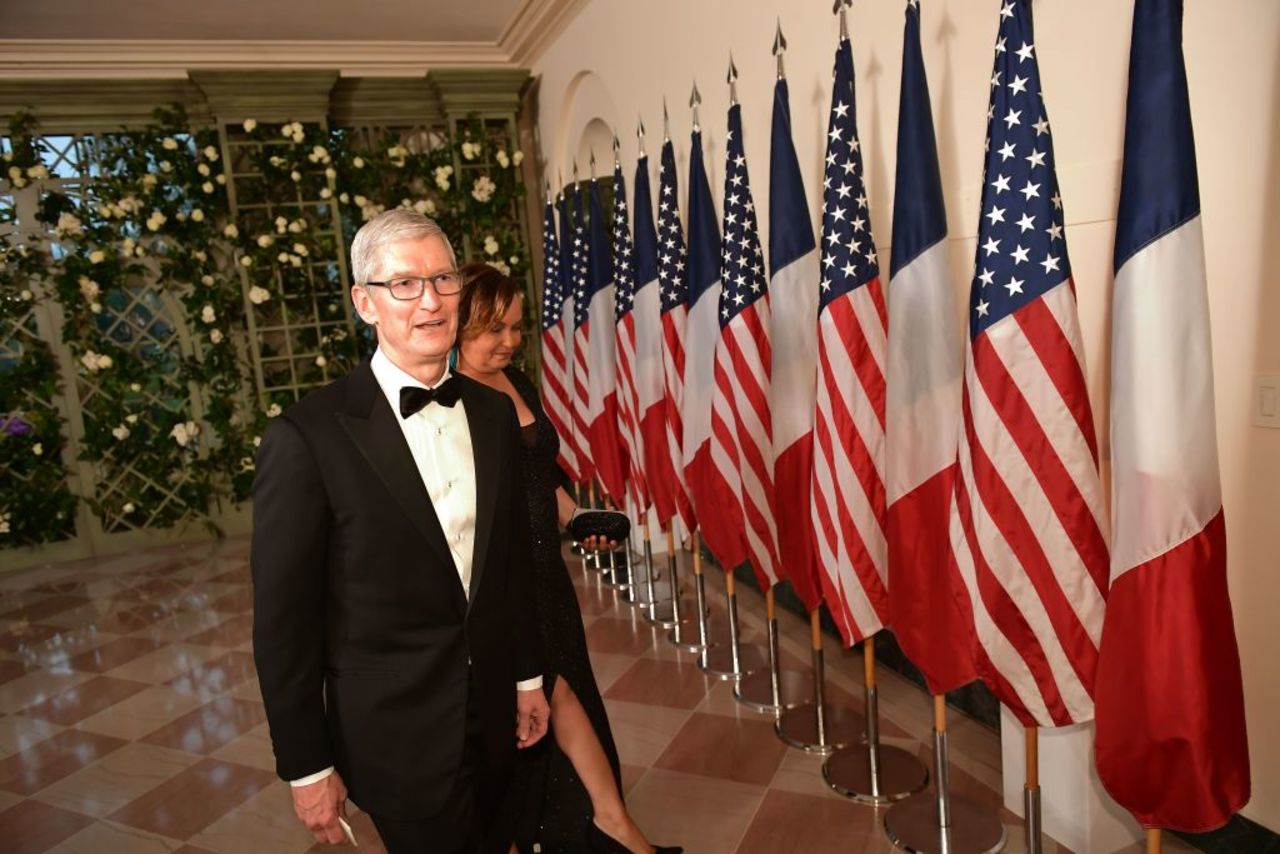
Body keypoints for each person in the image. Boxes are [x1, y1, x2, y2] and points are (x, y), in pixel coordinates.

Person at [251, 211, 551, 854]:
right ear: (365, 302)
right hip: (395, 737)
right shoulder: (306, 438)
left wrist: (527, 678)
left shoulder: (494, 412)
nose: (432, 301)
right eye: (404, 285)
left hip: (497, 710)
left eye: (442, 279)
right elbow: (284, 626)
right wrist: (307, 767)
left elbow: (510, 566)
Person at [454, 262, 679, 854]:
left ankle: (595, 824)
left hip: (546, 572)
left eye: (516, 328)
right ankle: (599, 829)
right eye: (493, 330)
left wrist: (576, 517)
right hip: (501, 579)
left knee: (566, 685)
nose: (508, 341)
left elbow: (540, 471)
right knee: (540, 700)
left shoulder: (515, 380)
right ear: (456, 327)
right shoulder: (452, 401)